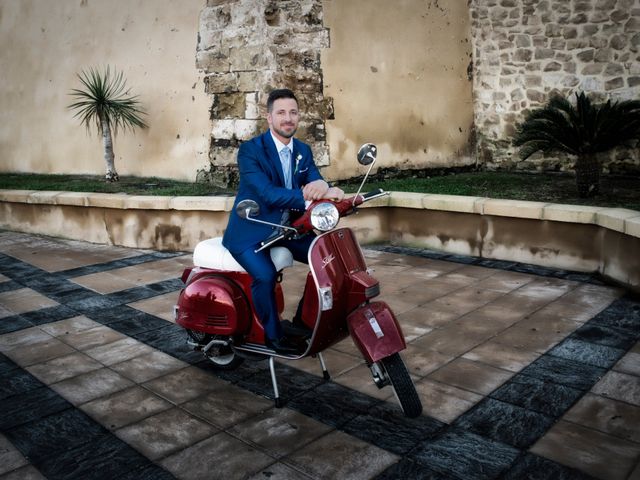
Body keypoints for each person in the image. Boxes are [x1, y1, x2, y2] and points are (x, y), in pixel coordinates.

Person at [222, 88, 344, 354]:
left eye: (293, 112)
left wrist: (324, 184)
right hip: (250, 230)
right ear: (269, 117)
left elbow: (313, 178)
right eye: (281, 113)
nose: (288, 118)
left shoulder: (303, 149)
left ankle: (304, 322)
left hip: (286, 230)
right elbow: (267, 193)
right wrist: (310, 197)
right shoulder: (250, 151)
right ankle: (272, 337)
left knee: (326, 258)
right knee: (265, 276)